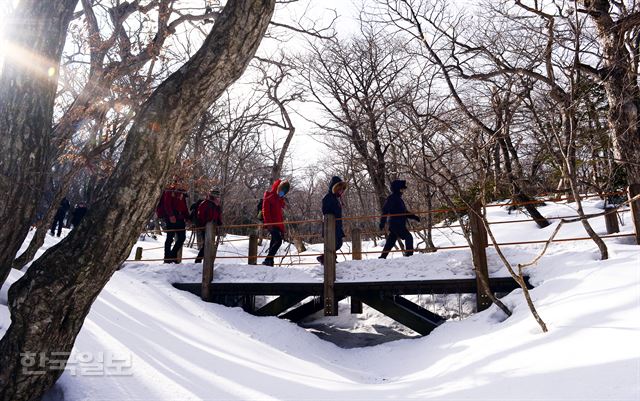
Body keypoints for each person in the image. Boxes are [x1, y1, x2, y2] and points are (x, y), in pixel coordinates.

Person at [378, 180, 420, 259]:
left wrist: (414, 217)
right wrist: (382, 223)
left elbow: (404, 212)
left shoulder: (398, 199)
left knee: (391, 240)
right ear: (397, 189)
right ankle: (409, 255)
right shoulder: (392, 198)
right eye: (401, 189)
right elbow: (385, 211)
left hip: (397, 224)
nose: (403, 190)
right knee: (408, 237)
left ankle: (383, 257)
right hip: (396, 224)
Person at [318, 176, 347, 265]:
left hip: (337, 225)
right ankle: (326, 258)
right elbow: (325, 212)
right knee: (335, 243)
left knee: (338, 243)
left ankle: (327, 257)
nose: (341, 191)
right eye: (340, 189)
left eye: (342, 189)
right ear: (335, 188)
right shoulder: (328, 197)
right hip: (330, 226)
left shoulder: (336, 198)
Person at [157, 183, 189, 263]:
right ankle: (167, 258)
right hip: (171, 217)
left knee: (182, 237)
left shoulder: (182, 193)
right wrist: (171, 215)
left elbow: (184, 207)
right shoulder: (170, 190)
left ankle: (172, 255)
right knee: (170, 237)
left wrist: (188, 218)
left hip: (180, 218)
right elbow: (166, 204)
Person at [261, 179, 289, 266]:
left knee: (273, 242)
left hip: (278, 225)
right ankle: (267, 259)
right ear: (278, 188)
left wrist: (283, 229)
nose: (282, 193)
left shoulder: (279, 199)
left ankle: (270, 261)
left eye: (284, 192)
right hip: (271, 224)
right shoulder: (269, 196)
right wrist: (268, 224)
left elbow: (280, 216)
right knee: (278, 241)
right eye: (281, 191)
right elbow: (265, 211)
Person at [195, 189, 223, 263]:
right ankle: (199, 260)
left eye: (219, 196)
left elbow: (218, 216)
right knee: (207, 245)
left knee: (209, 245)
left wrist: (219, 223)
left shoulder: (217, 206)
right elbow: (200, 216)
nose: (218, 198)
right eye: (217, 196)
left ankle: (205, 261)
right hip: (205, 227)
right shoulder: (205, 204)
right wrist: (205, 223)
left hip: (212, 228)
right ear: (213, 196)